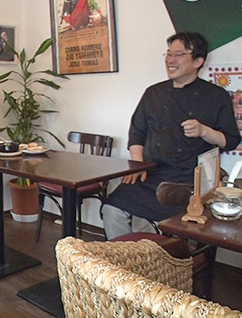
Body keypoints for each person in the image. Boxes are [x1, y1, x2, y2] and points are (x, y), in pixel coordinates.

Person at [102, 32, 240, 240]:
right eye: (168, 53)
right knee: (112, 207)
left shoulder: (215, 96)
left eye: (179, 54)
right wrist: (138, 163)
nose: (170, 60)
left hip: (189, 181)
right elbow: (137, 132)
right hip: (151, 174)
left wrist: (204, 131)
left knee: (157, 224)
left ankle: (158, 264)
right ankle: (120, 260)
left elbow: (230, 140)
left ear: (198, 61)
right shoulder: (153, 93)